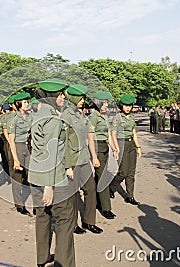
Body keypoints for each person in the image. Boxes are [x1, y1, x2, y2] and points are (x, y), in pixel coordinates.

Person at [28, 78, 76, 267]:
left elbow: (34, 145)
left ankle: (42, 258)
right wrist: (49, 185)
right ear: (52, 97)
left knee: (42, 217)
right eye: (60, 94)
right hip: (53, 177)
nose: (63, 97)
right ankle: (63, 263)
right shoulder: (54, 119)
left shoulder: (39, 114)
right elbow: (51, 151)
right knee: (65, 221)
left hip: (36, 175)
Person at [62, 84, 103, 234]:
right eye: (80, 97)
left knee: (90, 189)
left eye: (84, 97)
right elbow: (63, 142)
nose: (82, 100)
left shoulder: (81, 114)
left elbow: (89, 136)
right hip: (72, 160)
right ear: (72, 98)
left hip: (84, 158)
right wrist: (67, 166)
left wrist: (94, 157)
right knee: (72, 194)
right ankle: (72, 224)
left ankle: (89, 221)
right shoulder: (66, 115)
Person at [88, 91, 116, 220]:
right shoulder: (93, 117)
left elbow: (108, 134)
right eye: (105, 102)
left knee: (99, 177)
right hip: (97, 148)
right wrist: (94, 156)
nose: (107, 104)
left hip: (104, 148)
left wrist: (114, 148)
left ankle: (96, 202)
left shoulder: (102, 116)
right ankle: (106, 208)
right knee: (103, 177)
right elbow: (90, 137)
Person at [110, 94, 142, 205]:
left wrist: (138, 147)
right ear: (121, 106)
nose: (128, 108)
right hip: (121, 142)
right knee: (123, 172)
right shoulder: (117, 117)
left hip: (131, 145)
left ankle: (130, 196)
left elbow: (134, 133)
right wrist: (116, 148)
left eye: (130, 106)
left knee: (131, 172)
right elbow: (113, 134)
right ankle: (111, 187)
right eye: (125, 105)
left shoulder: (132, 117)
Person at [8, 92, 33, 215]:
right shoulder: (14, 119)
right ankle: (19, 204)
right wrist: (15, 159)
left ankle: (37, 201)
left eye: (27, 102)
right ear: (18, 104)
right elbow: (11, 140)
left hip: (27, 147)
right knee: (17, 178)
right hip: (17, 147)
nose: (27, 104)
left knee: (31, 174)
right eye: (24, 102)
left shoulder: (29, 116)